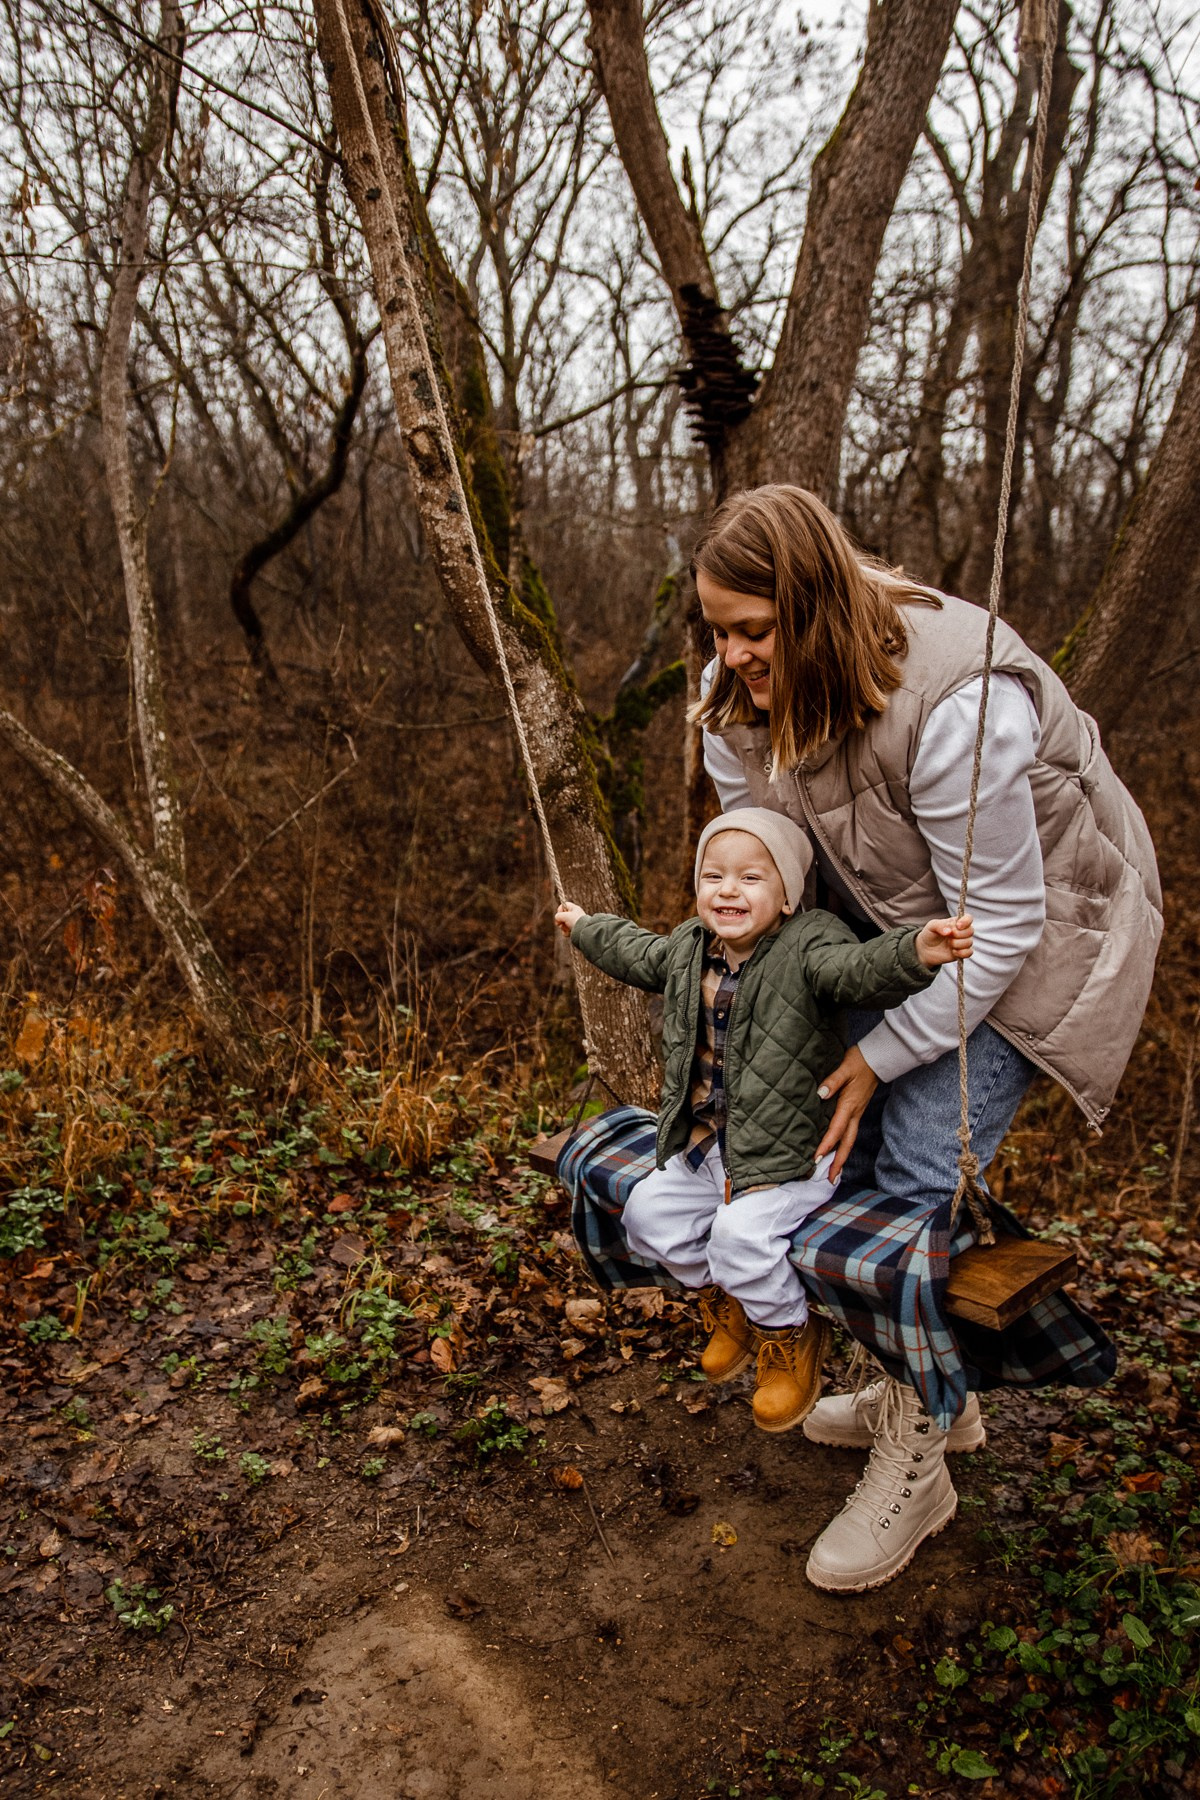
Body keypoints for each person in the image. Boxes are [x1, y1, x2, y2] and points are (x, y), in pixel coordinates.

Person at [690, 483, 1162, 1592]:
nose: (731, 656)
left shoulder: (959, 708)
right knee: (828, 1147)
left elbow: (1001, 932)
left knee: (910, 1172)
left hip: (1044, 928)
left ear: (810, 609)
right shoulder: (733, 700)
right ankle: (936, 1406)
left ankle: (921, 1457)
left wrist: (876, 1056)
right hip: (899, 920)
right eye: (715, 629)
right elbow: (765, 863)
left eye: (753, 632)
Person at [554, 806, 973, 1435]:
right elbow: (632, 952)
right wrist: (584, 925)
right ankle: (732, 1299)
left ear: (785, 898)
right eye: (714, 876)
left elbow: (859, 972)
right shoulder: (689, 948)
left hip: (791, 1157)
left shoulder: (809, 945)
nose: (728, 890)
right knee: (646, 1216)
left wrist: (917, 949)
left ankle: (789, 1335)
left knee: (741, 1238)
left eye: (751, 878)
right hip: (708, 1148)